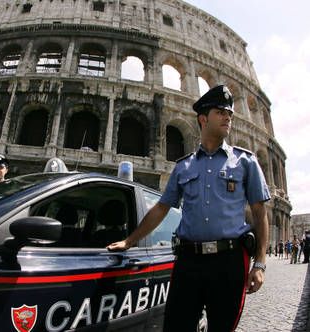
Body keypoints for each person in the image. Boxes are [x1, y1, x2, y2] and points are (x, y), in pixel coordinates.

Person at [107, 85, 270, 332]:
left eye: (230, 113)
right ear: (203, 119)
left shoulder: (246, 161)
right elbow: (161, 208)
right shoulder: (183, 167)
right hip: (188, 261)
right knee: (175, 326)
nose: (228, 117)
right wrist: (130, 241)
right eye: (220, 111)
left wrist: (259, 264)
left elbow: (260, 213)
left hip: (229, 262)